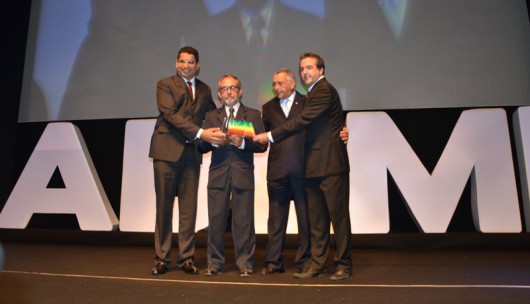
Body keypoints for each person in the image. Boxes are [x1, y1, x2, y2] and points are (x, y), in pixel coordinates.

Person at [254, 53, 352, 281]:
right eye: (302, 69)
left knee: (338, 219)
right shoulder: (311, 94)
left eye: (309, 68)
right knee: (317, 222)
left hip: (331, 165)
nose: (305, 72)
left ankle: (344, 265)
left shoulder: (323, 91)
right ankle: (318, 264)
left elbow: (302, 120)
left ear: (321, 70)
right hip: (311, 167)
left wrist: (269, 135)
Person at [149, 46, 227, 275]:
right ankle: (162, 258)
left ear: (198, 65)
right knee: (164, 207)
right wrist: (201, 133)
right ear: (176, 63)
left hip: (191, 154)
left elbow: (213, 115)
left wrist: (233, 117)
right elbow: (171, 115)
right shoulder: (164, 85)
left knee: (188, 209)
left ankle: (186, 258)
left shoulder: (204, 89)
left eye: (191, 62)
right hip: (166, 152)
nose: (186, 65)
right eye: (182, 61)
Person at [198, 74, 268, 277]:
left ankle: (245, 263)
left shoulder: (253, 114)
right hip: (218, 175)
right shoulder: (211, 116)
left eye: (233, 88)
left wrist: (244, 143)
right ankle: (214, 263)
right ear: (219, 94)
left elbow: (263, 144)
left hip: (243, 174)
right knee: (216, 220)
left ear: (240, 91)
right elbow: (200, 146)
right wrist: (212, 140)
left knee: (244, 221)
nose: (229, 92)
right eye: (225, 89)